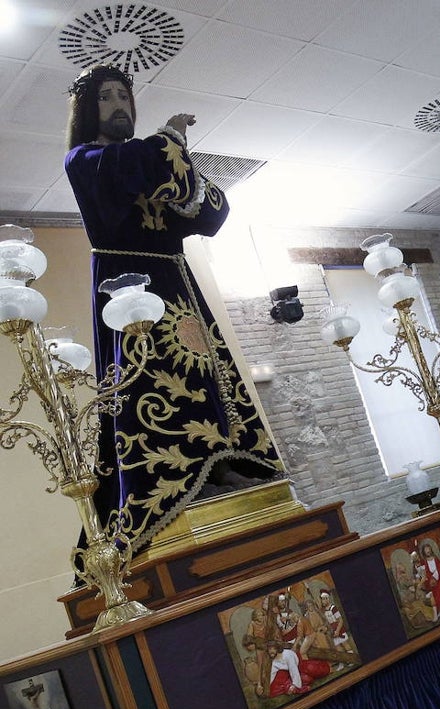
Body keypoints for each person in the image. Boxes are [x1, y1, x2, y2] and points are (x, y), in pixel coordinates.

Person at [63, 64, 283, 558]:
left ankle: (219, 458)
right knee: (150, 379)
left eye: (125, 95)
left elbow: (209, 212)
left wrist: (176, 156)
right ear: (88, 110)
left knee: (206, 377)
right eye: (107, 97)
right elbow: (136, 168)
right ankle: (174, 479)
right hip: (128, 288)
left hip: (178, 285)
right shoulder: (87, 159)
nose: (120, 104)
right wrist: (170, 139)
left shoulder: (147, 163)